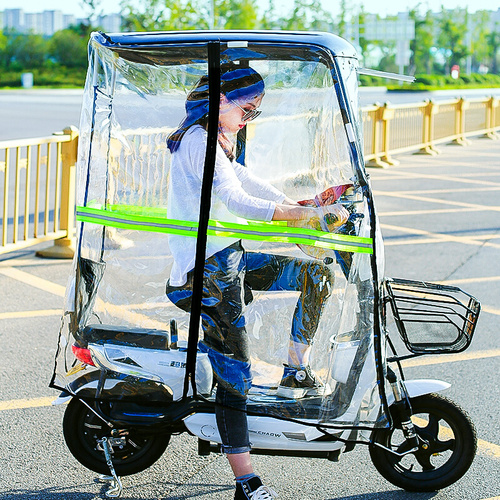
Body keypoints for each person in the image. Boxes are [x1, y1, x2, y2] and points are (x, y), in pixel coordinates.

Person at [165, 63, 348, 500]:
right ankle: (245, 480)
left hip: (230, 258)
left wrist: (301, 205)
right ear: (220, 100)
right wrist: (305, 215)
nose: (250, 119)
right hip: (207, 272)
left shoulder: (219, 140)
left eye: (255, 114)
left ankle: (294, 369)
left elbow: (251, 183)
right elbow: (237, 199)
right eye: (248, 109)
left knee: (315, 275)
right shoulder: (199, 141)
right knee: (235, 372)